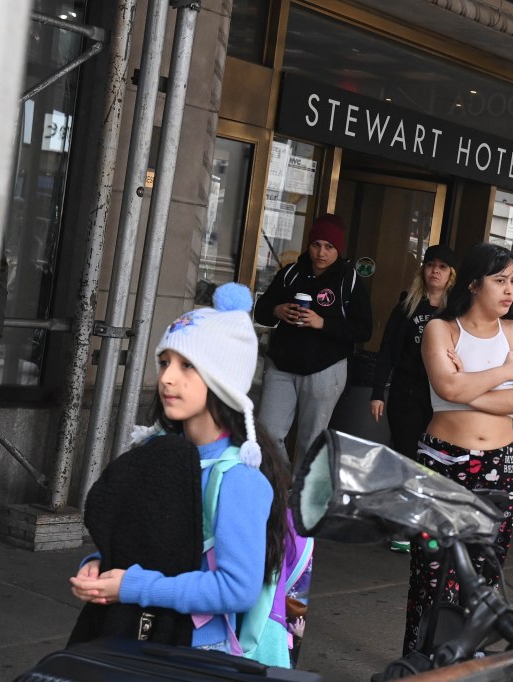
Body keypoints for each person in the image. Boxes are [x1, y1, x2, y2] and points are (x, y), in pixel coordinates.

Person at [69, 283, 292, 661]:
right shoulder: (156, 453)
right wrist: (98, 567)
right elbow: (138, 544)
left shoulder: (239, 477)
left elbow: (237, 589)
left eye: (187, 365)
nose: (168, 378)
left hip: (197, 652)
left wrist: (133, 586)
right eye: (165, 362)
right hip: (142, 635)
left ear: (222, 378)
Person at [402, 242, 513, 655]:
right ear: (473, 284)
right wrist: (504, 372)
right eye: (499, 281)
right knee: (431, 569)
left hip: (499, 463)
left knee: (486, 567)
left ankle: (467, 659)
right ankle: (421, 661)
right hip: (442, 460)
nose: (509, 291)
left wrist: (466, 390)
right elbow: (445, 385)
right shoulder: (440, 329)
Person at [254, 213, 373, 467]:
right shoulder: (291, 274)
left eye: (329, 247)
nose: (321, 252)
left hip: (325, 368)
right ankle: (282, 486)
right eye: (316, 244)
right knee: (268, 435)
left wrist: (322, 323)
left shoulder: (348, 280)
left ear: (338, 249)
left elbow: (363, 330)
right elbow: (261, 311)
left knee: (311, 442)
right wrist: (277, 311)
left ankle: (301, 498)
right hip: (282, 366)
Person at [370, 243, 457, 554]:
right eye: (430, 264)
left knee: (433, 462)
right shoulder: (408, 304)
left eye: (442, 266)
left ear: (451, 275)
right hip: (406, 395)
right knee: (406, 458)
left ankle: (425, 525)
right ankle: (403, 526)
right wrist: (378, 392)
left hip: (440, 399)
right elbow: (388, 350)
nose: (435, 270)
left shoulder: (455, 310)